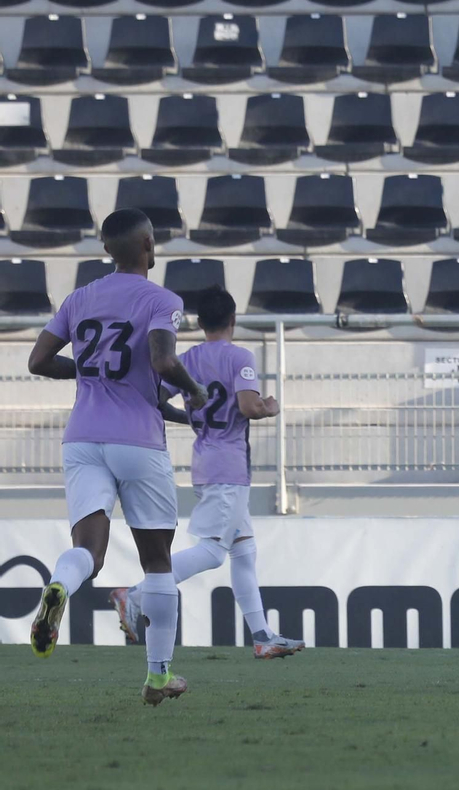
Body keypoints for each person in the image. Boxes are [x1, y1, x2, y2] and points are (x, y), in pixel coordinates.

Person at [25, 208, 206, 707]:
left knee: (90, 551)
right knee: (158, 564)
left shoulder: (79, 298)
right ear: (149, 244)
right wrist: (195, 392)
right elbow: (164, 360)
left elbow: (38, 361)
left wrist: (85, 373)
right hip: (138, 443)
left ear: (107, 250)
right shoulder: (161, 299)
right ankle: (158, 675)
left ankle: (59, 585)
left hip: (82, 438)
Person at [110, 289, 305, 660]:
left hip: (206, 462)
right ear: (234, 320)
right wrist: (271, 406)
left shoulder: (188, 359)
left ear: (199, 324)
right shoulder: (240, 357)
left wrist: (188, 418)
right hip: (229, 467)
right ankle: (133, 593)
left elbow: (154, 398)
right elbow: (249, 407)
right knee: (214, 552)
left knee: (244, 551)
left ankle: (262, 635)